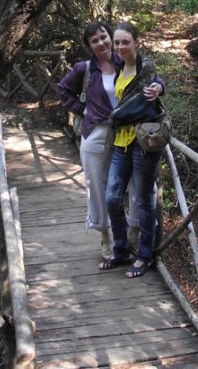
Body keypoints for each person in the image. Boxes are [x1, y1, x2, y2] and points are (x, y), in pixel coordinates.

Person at [57, 21, 158, 261]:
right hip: (97, 134)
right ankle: (105, 236)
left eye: (104, 37)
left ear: (111, 38)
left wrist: (159, 88)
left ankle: (133, 235)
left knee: (137, 185)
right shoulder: (85, 68)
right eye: (95, 40)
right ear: (89, 46)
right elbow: (63, 89)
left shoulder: (125, 60)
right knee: (98, 187)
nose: (101, 43)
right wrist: (83, 109)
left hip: (128, 133)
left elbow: (152, 77)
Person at [100, 22, 164, 278]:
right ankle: (122, 250)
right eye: (117, 43)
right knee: (113, 198)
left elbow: (140, 103)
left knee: (143, 199)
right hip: (120, 144)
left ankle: (145, 255)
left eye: (125, 42)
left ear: (136, 41)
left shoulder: (146, 66)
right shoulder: (118, 69)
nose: (120, 47)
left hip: (143, 143)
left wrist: (115, 117)